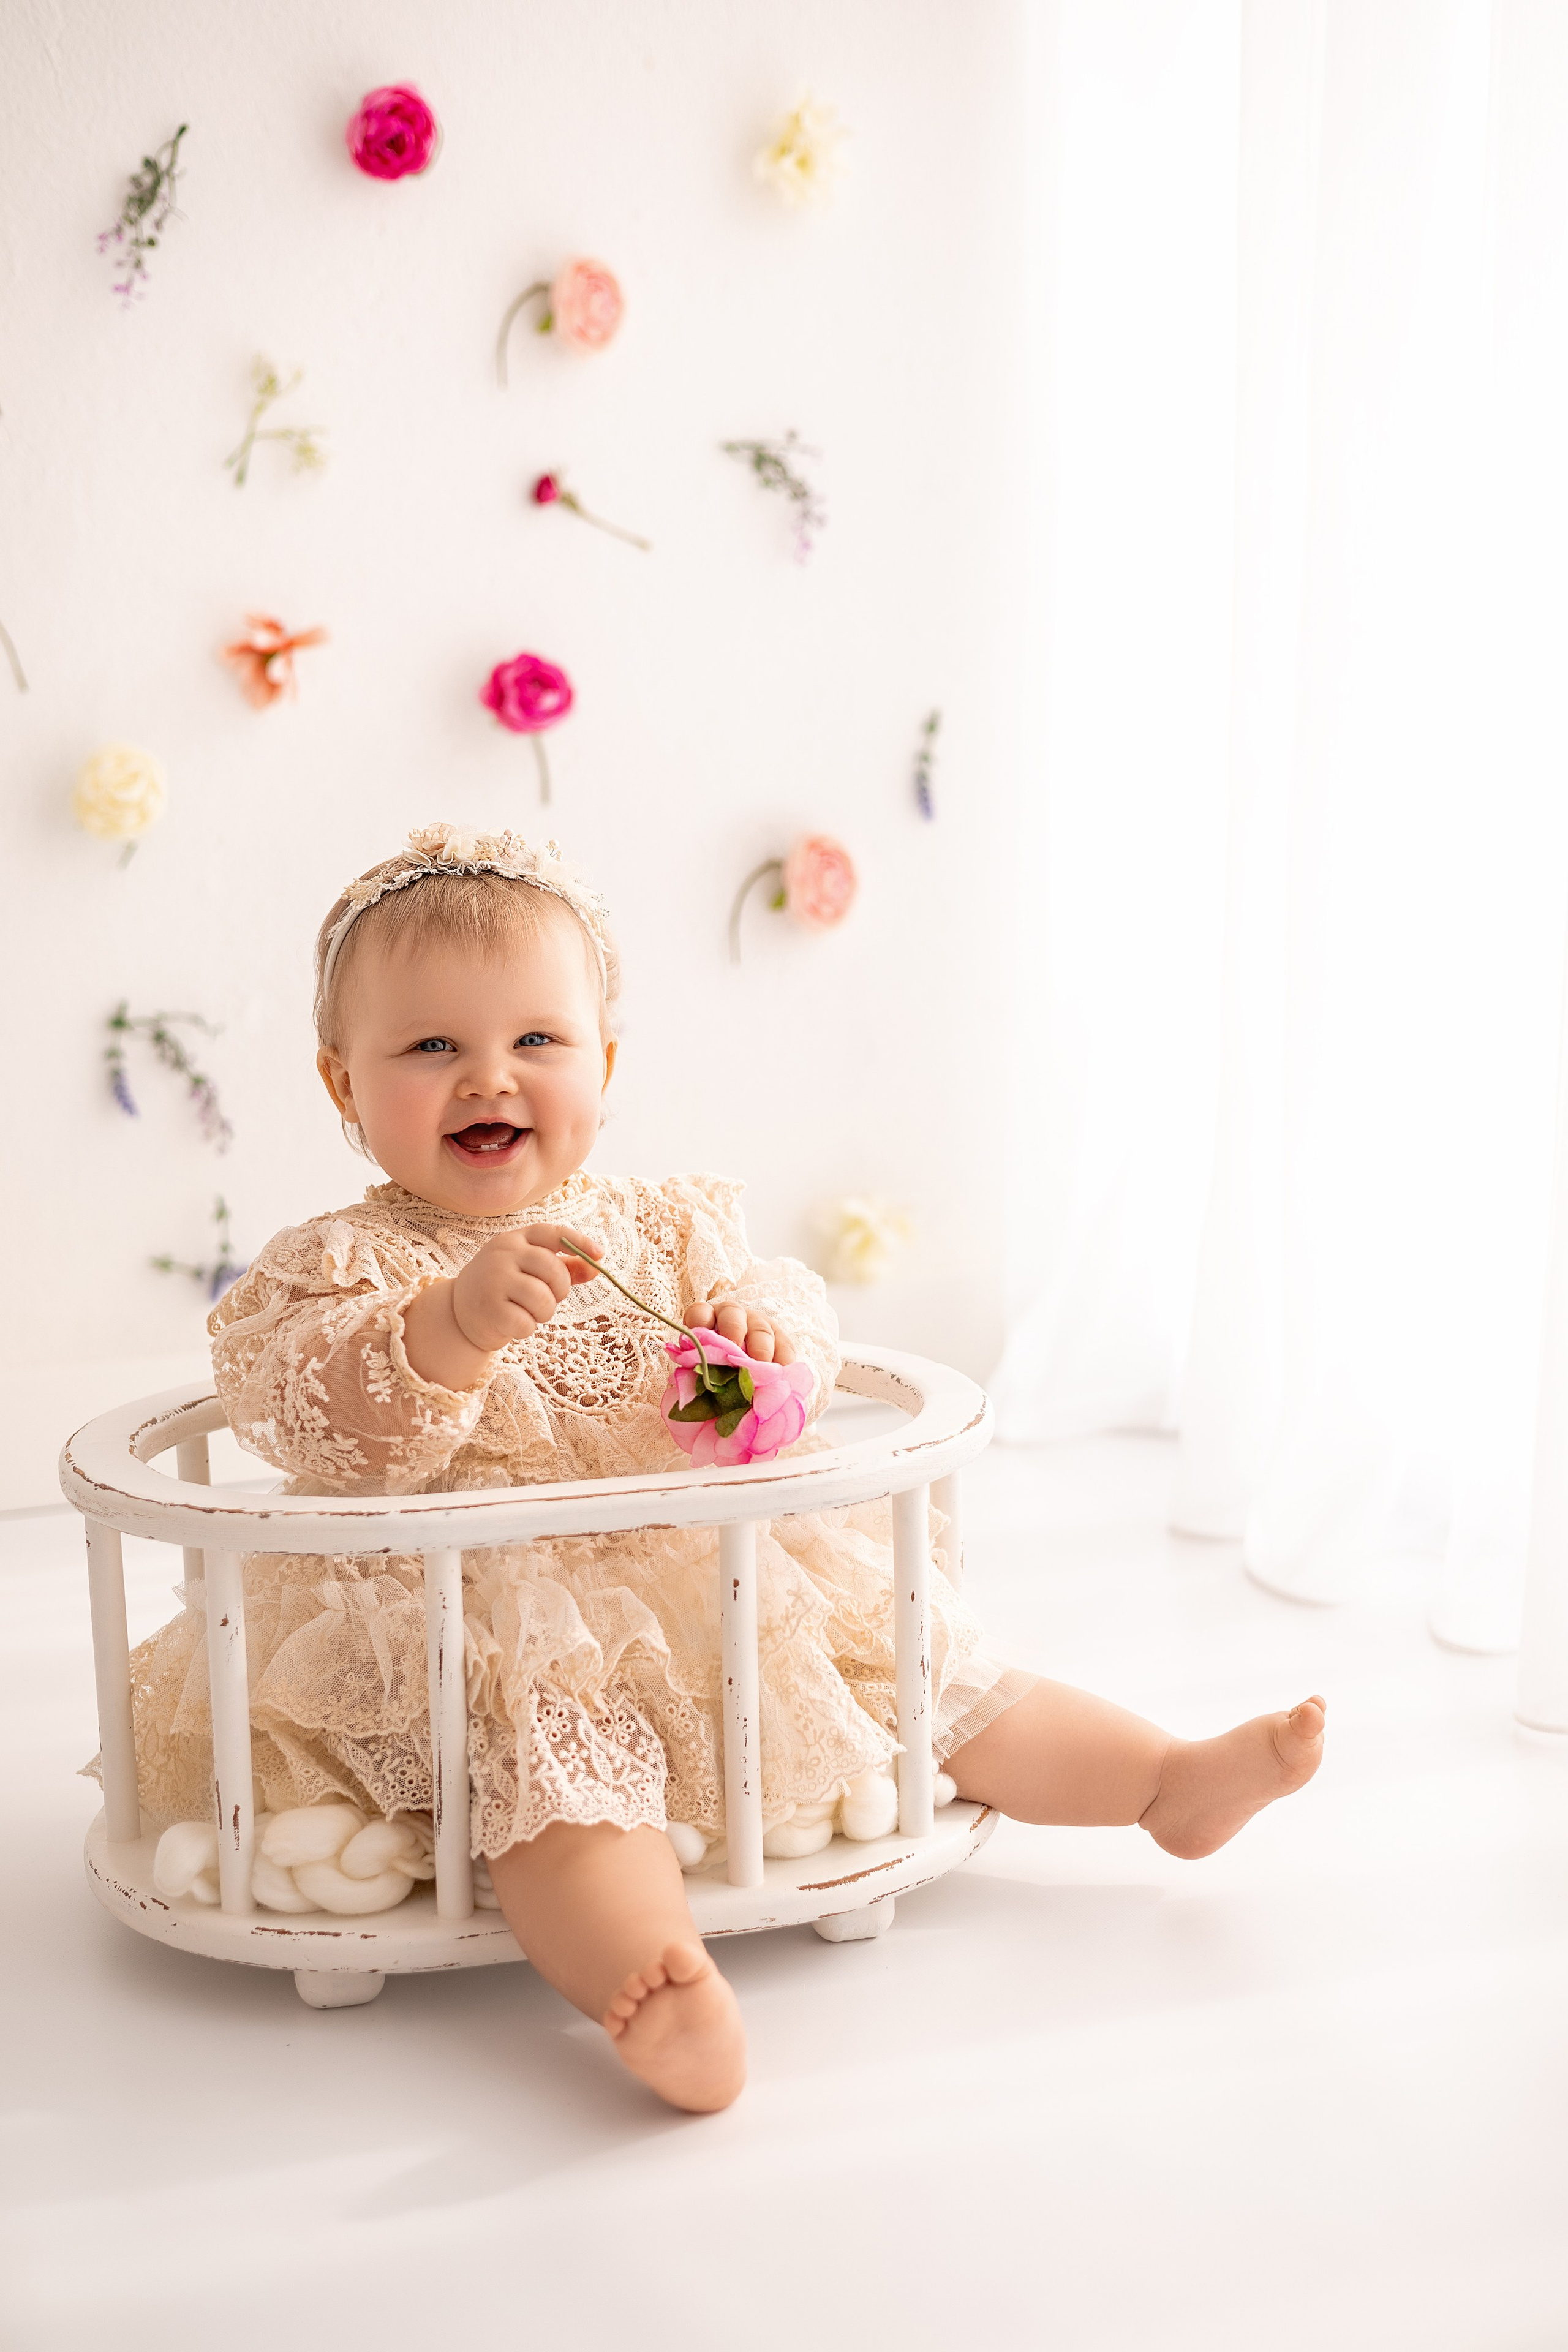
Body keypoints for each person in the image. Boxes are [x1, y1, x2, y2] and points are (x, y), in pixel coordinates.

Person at [125, 825, 1325, 2115]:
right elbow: (309, 1413)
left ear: (605, 1064)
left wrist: (768, 1336)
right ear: (341, 1085)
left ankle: (1160, 1780)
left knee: (932, 1675)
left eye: (536, 1041)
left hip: (715, 1581)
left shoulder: (665, 1225)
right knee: (557, 1786)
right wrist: (447, 1329)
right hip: (478, 1620)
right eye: (430, 1047)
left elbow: (788, 1304)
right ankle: (648, 1976)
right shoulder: (342, 1266)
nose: (489, 1078)